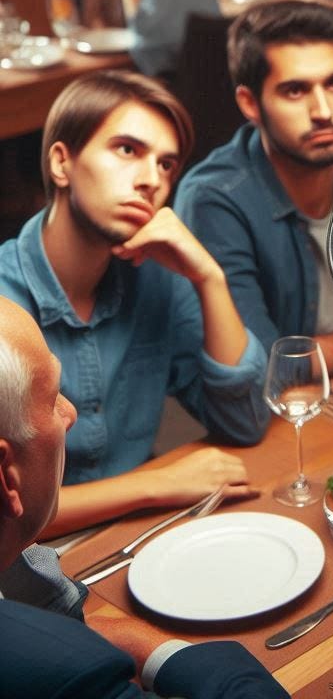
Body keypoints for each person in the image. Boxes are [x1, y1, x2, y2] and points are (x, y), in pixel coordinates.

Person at [0, 72, 267, 537]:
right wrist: (157, 483)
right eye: (128, 150)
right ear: (62, 163)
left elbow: (245, 422)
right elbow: (10, 511)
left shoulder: (157, 278)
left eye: (167, 165)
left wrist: (209, 277)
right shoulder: (6, 306)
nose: (150, 181)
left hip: (143, 532)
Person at [0, 296, 288, 699]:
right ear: (6, 477)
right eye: (51, 400)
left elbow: (60, 617)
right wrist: (169, 652)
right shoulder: (64, 674)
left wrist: (123, 637)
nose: (70, 414)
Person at [175, 0, 333, 372]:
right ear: (250, 103)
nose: (324, 111)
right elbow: (264, 369)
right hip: (288, 414)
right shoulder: (215, 200)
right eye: (295, 91)